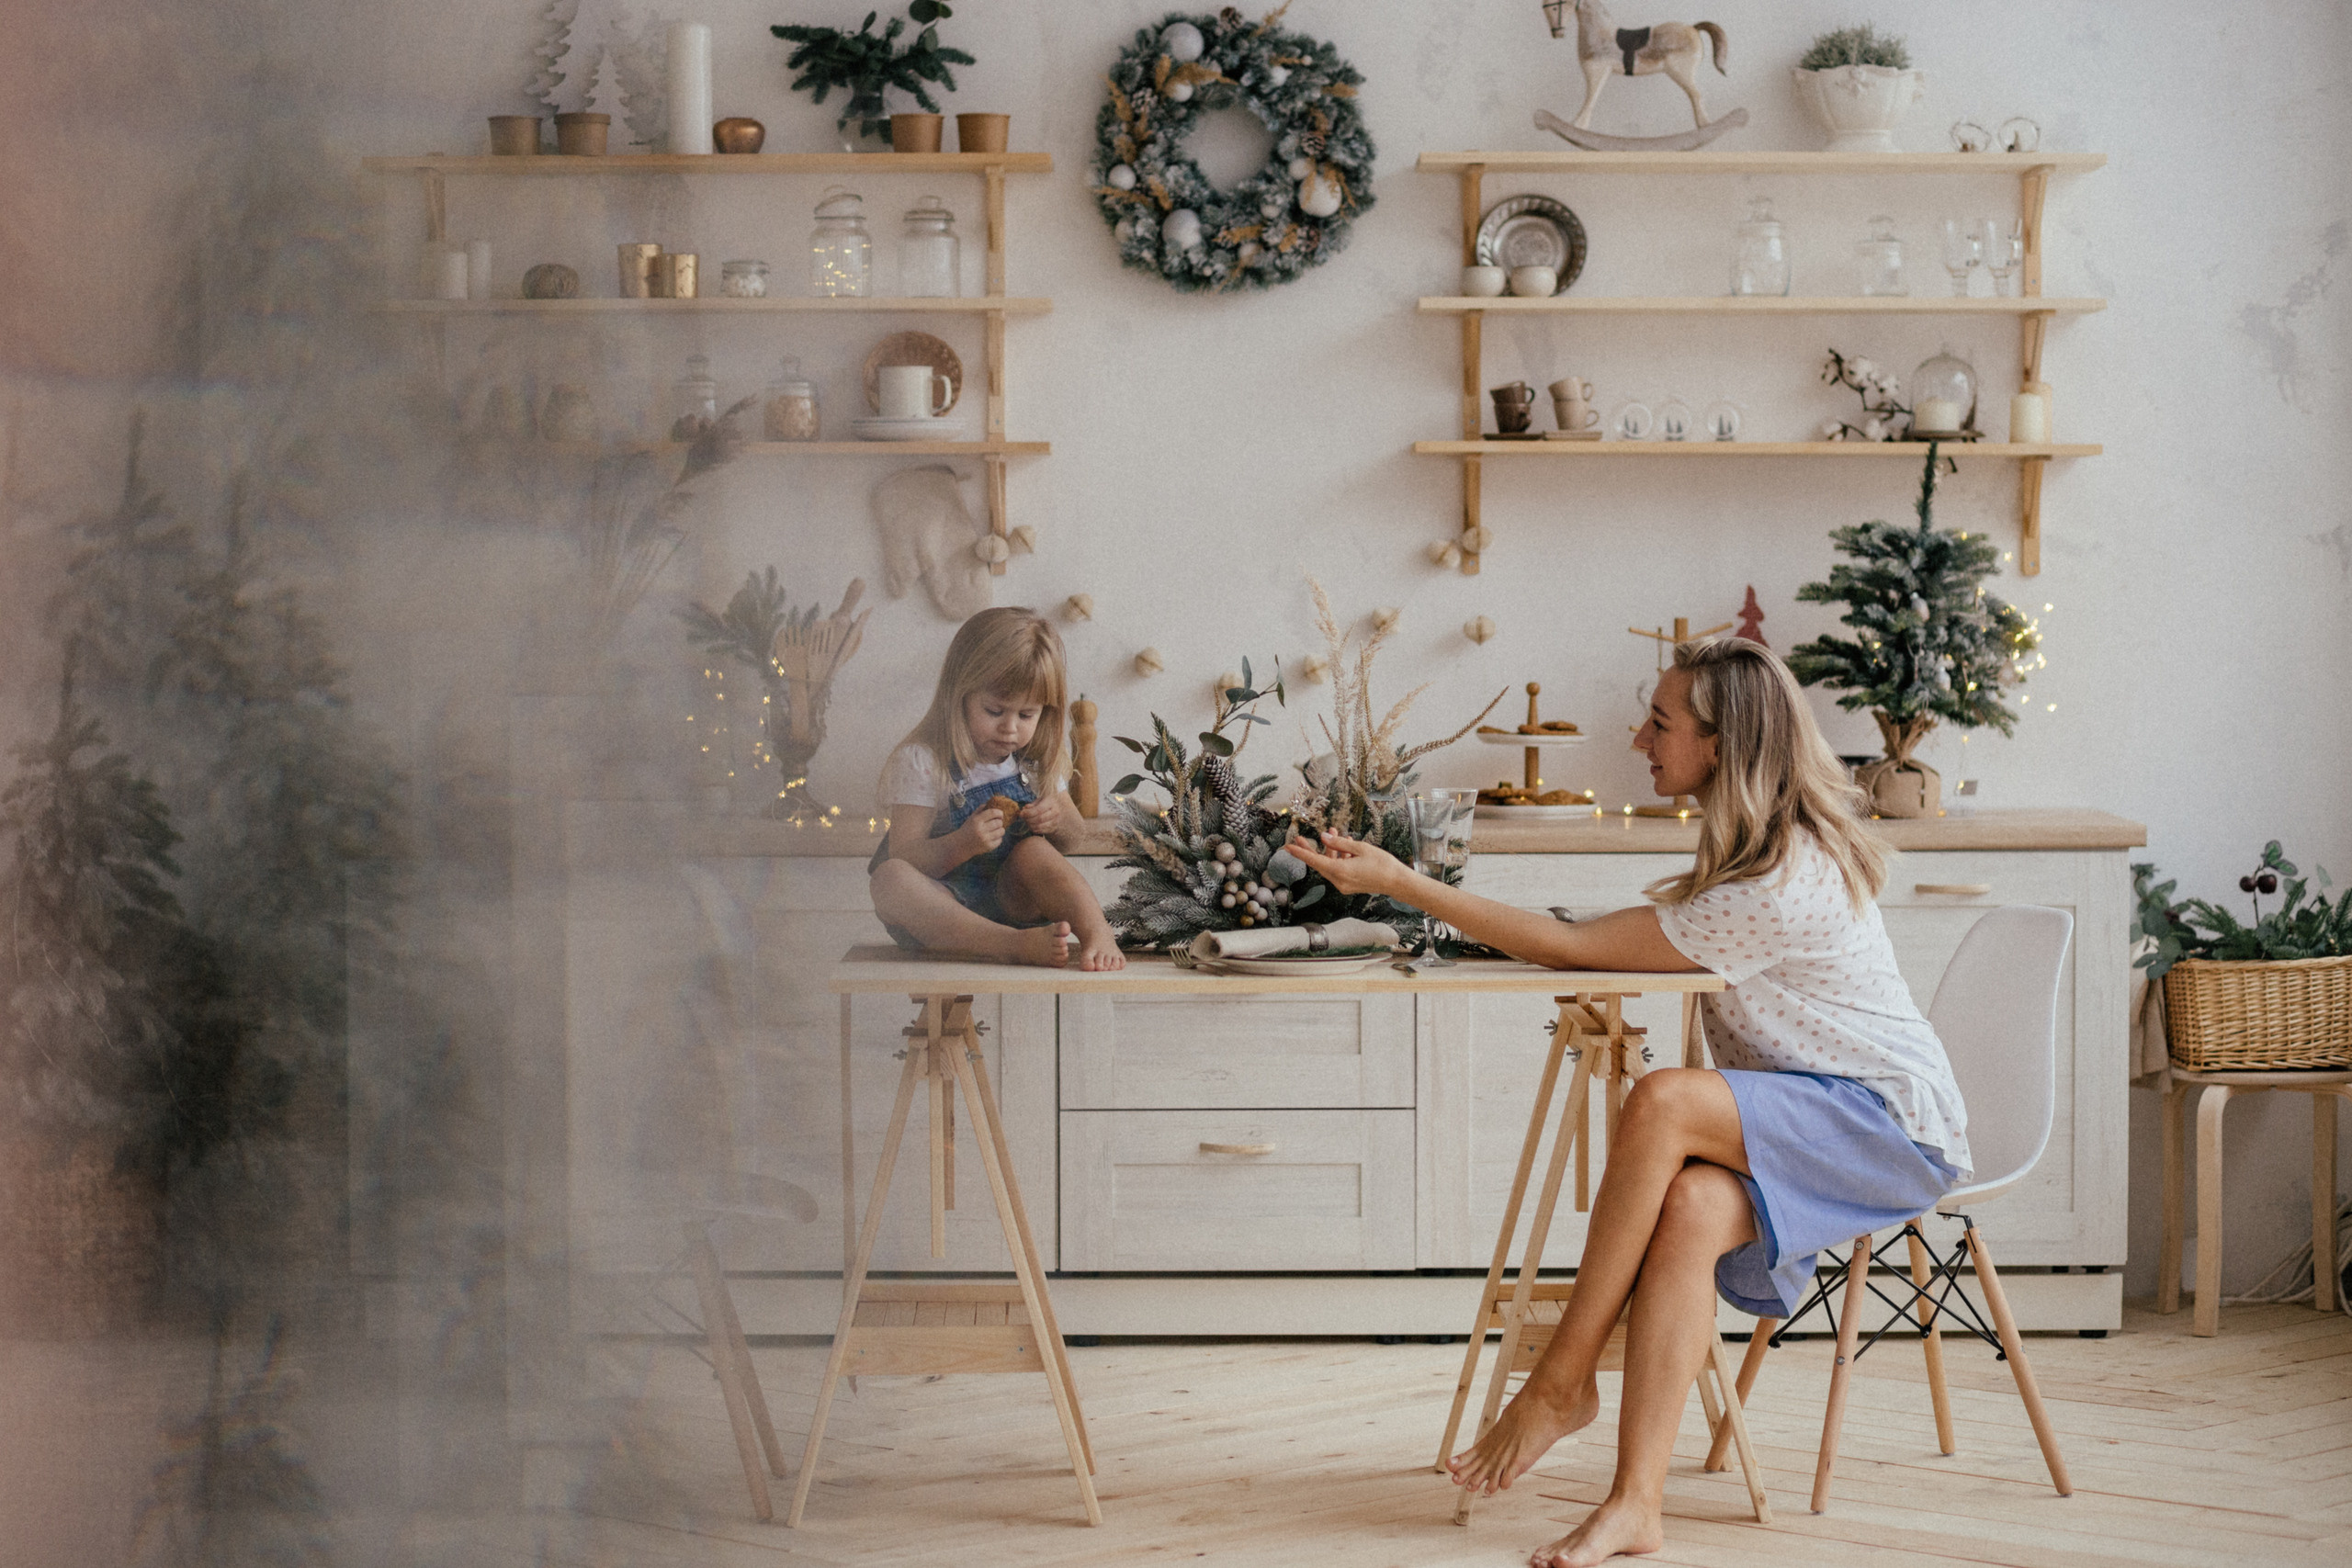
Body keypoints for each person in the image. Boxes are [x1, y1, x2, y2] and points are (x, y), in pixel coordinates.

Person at [1285, 637, 1969, 1568]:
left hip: (1887, 1122)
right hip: (1821, 1110)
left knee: (1663, 1101)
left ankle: (1561, 1380)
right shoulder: (1758, 854)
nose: (1639, 737)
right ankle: (1634, 1503)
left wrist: (1404, 885)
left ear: (1721, 743)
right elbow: (1604, 940)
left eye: (1660, 721)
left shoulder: (1777, 879)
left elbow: (1575, 948)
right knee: (1687, 1207)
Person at [869, 607, 1125, 971]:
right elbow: (905, 855)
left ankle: (1098, 931)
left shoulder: (1035, 761)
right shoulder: (924, 760)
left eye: (1026, 715)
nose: (1010, 728)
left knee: (1034, 850)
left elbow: (1073, 837)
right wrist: (960, 845)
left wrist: (1056, 821)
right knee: (889, 879)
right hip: (943, 912)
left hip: (1013, 900)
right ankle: (1010, 945)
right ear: (959, 696)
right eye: (994, 711)